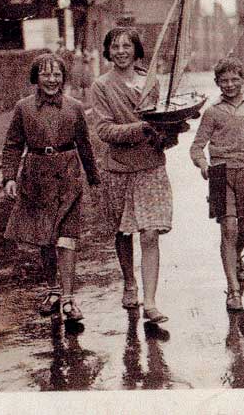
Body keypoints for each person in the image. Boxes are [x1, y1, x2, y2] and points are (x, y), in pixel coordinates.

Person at [2, 52, 100, 323]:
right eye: (45, 74)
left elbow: (86, 146)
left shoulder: (74, 107)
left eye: (57, 74)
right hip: (36, 177)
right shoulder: (23, 108)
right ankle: (53, 290)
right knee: (45, 238)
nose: (52, 80)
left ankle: (68, 299)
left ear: (63, 78)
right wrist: (9, 177)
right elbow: (12, 145)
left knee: (67, 238)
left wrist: (94, 179)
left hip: (68, 175)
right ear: (36, 77)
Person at [91, 26, 173, 324]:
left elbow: (161, 127)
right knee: (123, 231)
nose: (121, 51)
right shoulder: (101, 86)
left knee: (150, 232)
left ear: (137, 50)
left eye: (127, 46)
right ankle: (129, 282)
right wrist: (140, 129)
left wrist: (170, 132)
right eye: (115, 46)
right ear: (108, 51)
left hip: (151, 167)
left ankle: (150, 302)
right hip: (119, 169)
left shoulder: (152, 82)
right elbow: (104, 130)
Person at [189, 57, 244, 311]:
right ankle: (233, 291)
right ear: (217, 83)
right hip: (219, 173)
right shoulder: (213, 111)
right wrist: (204, 166)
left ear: (243, 80)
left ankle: (237, 255)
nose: (229, 84)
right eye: (224, 80)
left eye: (234, 79)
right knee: (228, 228)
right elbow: (196, 148)